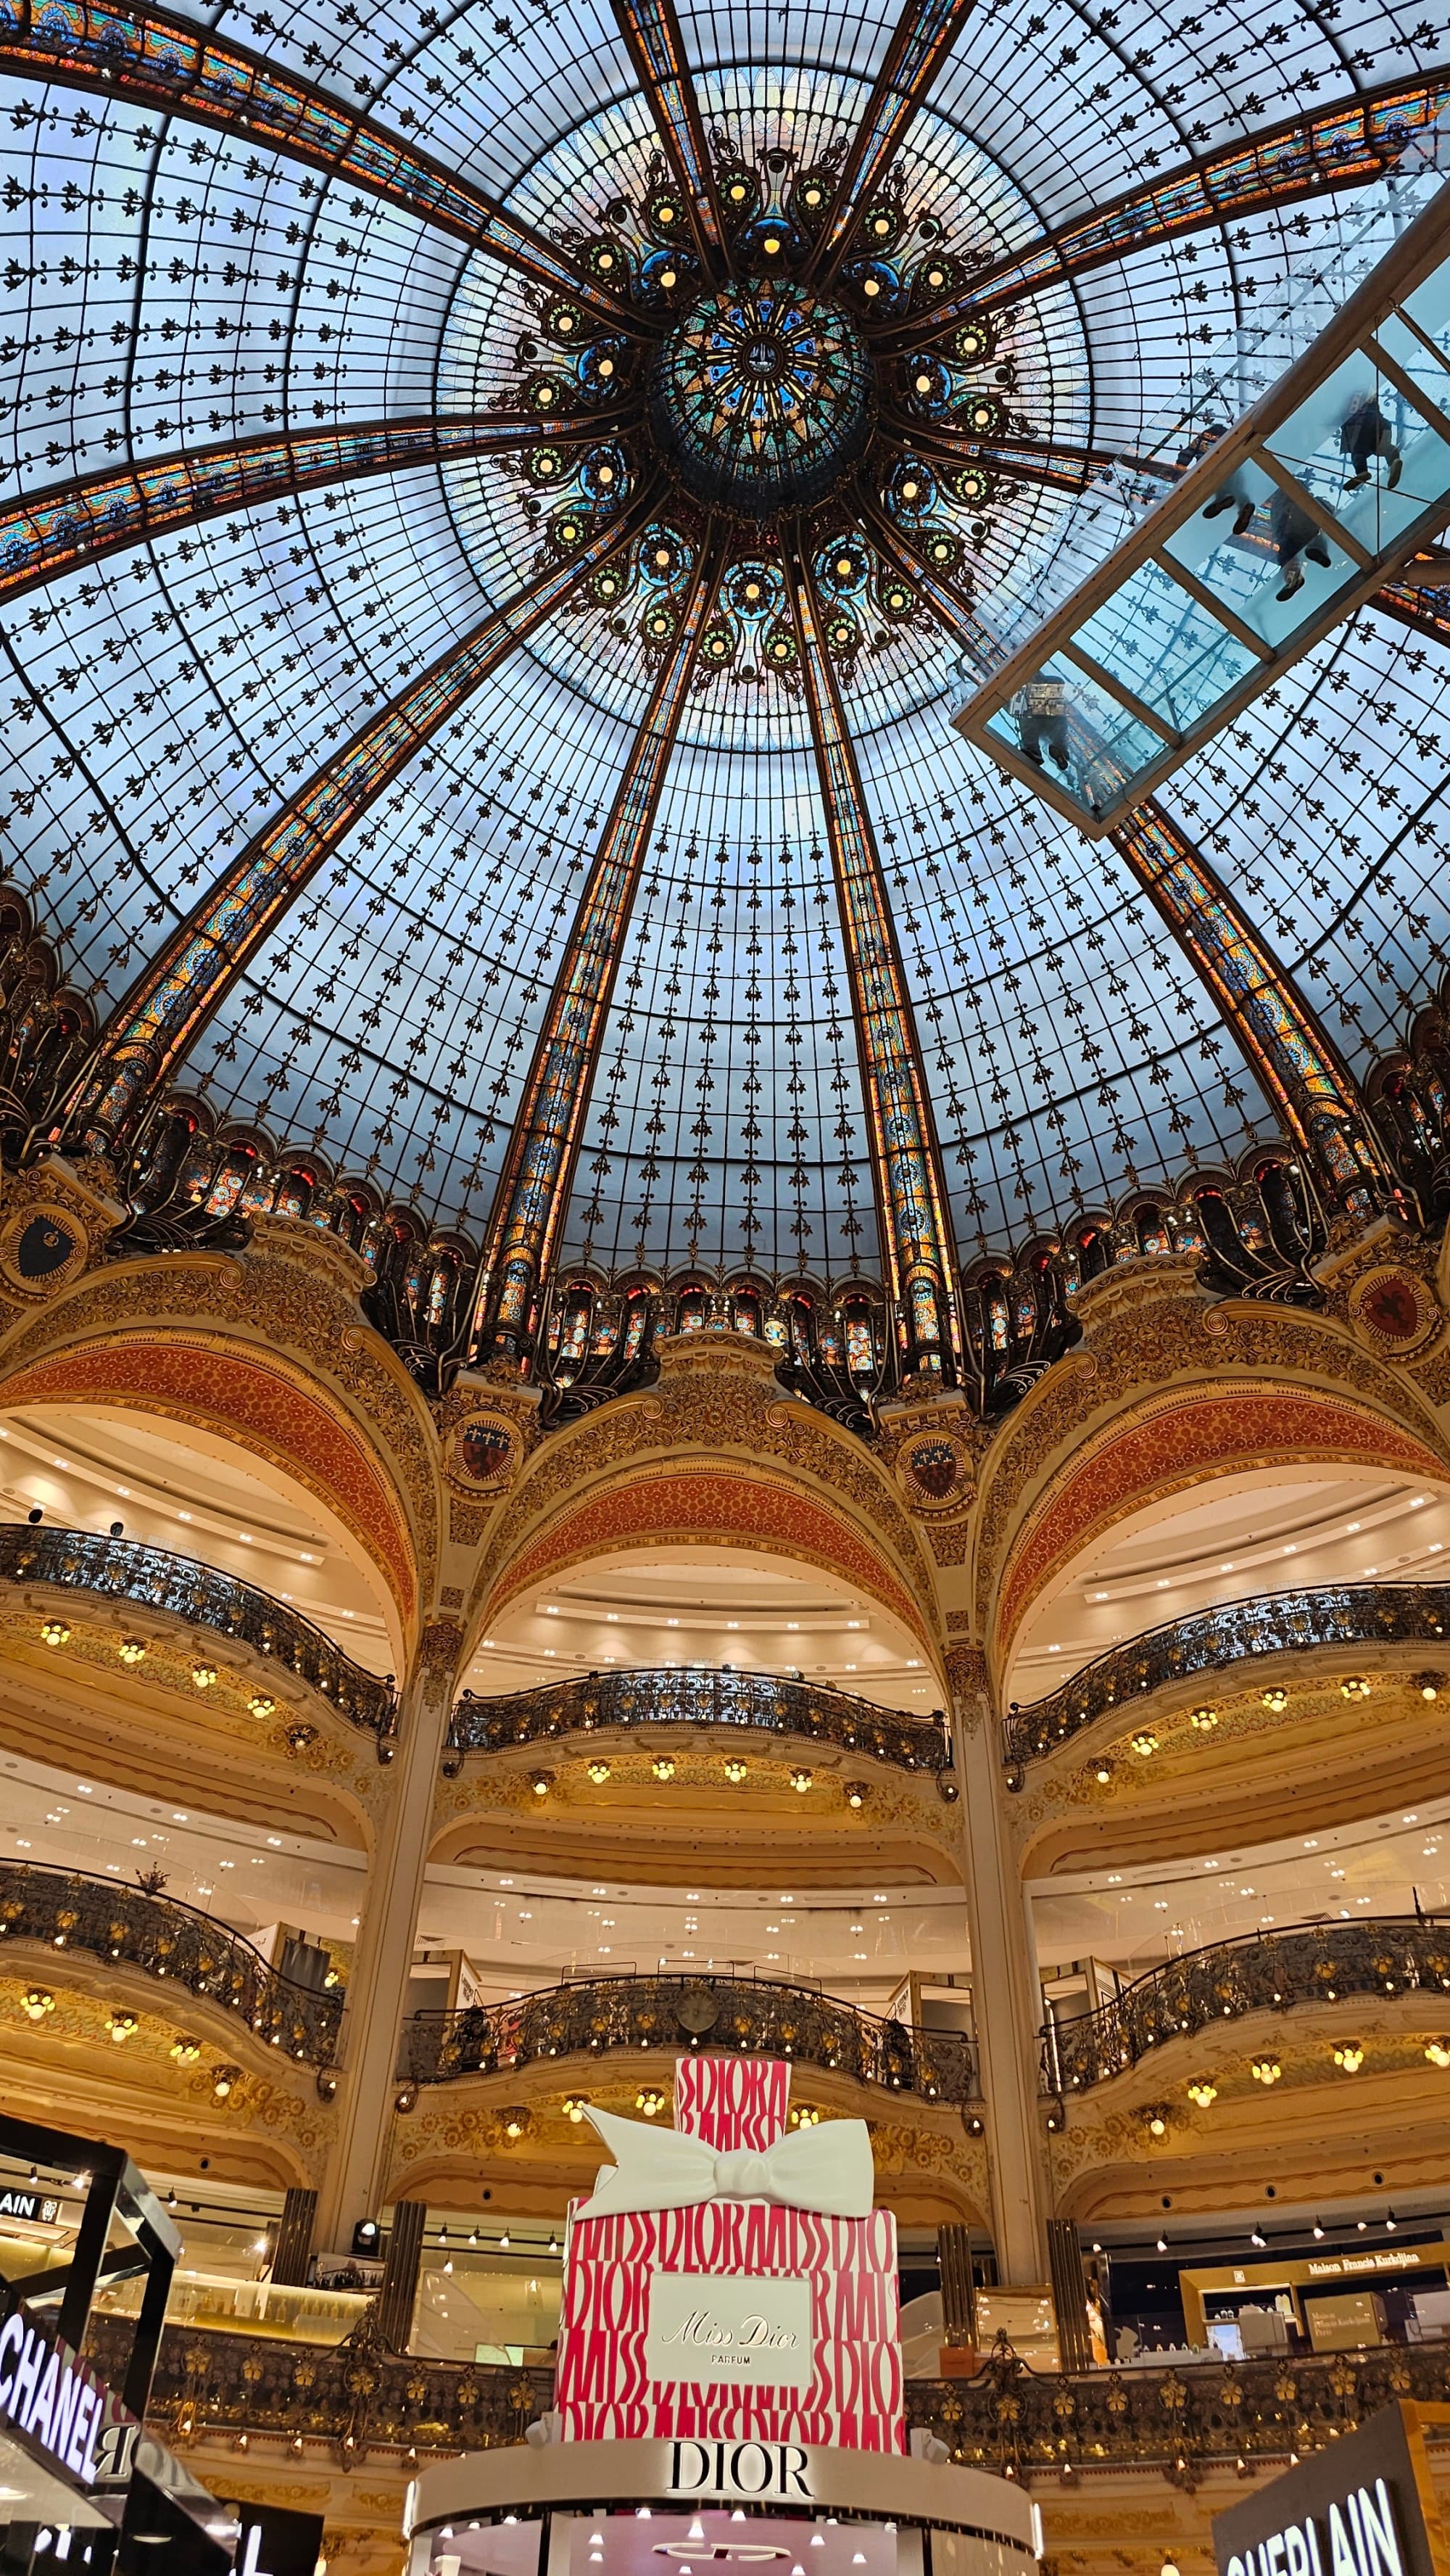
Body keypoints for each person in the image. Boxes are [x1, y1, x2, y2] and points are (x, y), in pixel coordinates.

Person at [1180, 419, 1256, 535]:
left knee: (1218, 487)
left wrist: (1180, 465)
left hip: (1210, 470)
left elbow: (1187, 453)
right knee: (1238, 489)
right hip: (1233, 468)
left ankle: (1222, 501)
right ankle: (1244, 507)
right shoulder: (1229, 437)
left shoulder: (1203, 438)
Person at [1269, 487, 1333, 600]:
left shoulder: (1282, 507)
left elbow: (1278, 518)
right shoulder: (1310, 500)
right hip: (1307, 528)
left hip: (1297, 531)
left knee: (1288, 553)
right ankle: (1317, 552)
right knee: (1291, 551)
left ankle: (1293, 579)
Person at [1340, 389, 1402, 490]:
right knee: (1383, 448)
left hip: (1363, 429)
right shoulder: (1367, 394)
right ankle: (1394, 462)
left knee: (1357, 454)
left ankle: (1362, 472)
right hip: (1381, 426)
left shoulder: (1353, 399)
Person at [1014, 673, 1071, 771]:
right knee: (1057, 724)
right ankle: (1059, 749)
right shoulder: (1023, 692)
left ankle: (1035, 752)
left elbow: (1059, 684)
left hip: (1042, 717)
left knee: (1028, 724)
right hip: (1044, 718)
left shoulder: (1022, 692)